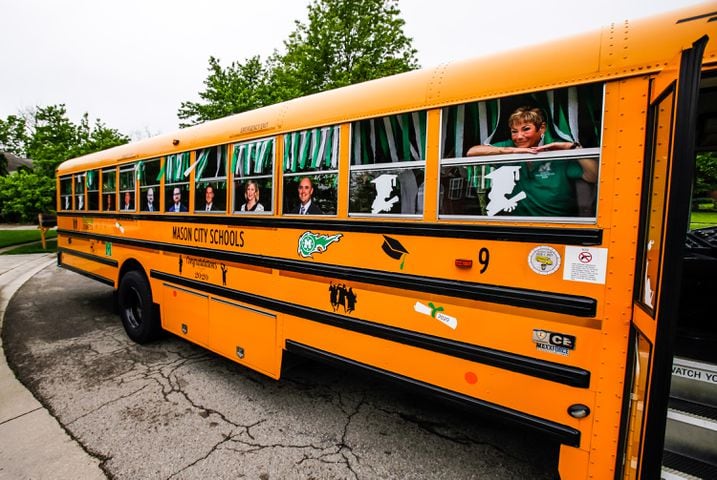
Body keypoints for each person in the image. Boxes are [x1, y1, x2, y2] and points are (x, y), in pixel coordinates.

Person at [466, 106, 597, 217]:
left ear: (542, 128)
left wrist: (573, 148)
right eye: (514, 131)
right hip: (517, 224)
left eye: (526, 129)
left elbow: (593, 176)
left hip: (557, 222)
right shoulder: (511, 146)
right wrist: (510, 151)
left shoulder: (554, 148)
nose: (519, 136)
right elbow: (472, 152)